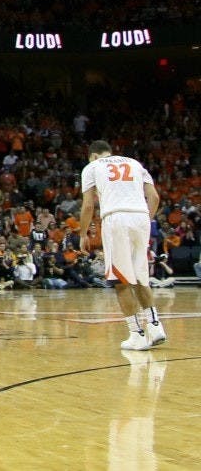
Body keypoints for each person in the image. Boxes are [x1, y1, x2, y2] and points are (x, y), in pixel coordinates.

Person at [79, 140, 167, 351]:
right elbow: (154, 197)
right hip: (141, 218)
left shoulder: (92, 167)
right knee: (139, 276)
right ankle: (155, 326)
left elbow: (89, 204)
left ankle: (136, 334)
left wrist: (83, 233)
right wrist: (146, 219)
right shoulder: (135, 163)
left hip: (116, 219)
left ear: (92, 155)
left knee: (121, 281)